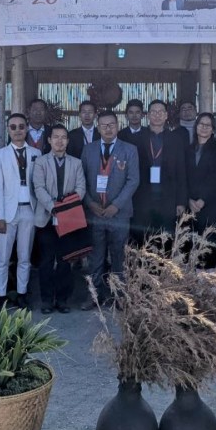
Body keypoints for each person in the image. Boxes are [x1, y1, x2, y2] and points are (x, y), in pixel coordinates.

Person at [81, 110, 139, 309]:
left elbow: (133, 181)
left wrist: (116, 205)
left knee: (119, 256)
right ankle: (94, 295)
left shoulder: (129, 150)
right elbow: (81, 181)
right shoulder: (88, 150)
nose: (108, 128)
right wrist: (90, 203)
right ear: (98, 128)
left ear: (118, 125)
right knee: (95, 256)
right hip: (95, 213)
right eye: (104, 125)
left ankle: (120, 296)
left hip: (119, 213)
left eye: (111, 124)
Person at [31, 125, 87, 313]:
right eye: (56, 137)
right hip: (47, 218)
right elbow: (38, 188)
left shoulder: (76, 163)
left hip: (69, 219)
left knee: (65, 260)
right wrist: (54, 207)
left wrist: (66, 208)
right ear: (49, 140)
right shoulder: (40, 162)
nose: (60, 141)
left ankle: (62, 300)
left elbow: (81, 188)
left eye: (63, 137)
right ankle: (47, 300)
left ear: (68, 141)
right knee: (46, 261)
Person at [0, 113, 41, 308]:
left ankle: (21, 293)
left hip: (29, 210)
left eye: (21, 126)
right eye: (13, 127)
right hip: (6, 213)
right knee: (2, 257)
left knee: (24, 256)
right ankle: (1, 295)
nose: (17, 130)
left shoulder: (36, 154)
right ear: (8, 130)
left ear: (27, 128)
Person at [130, 100, 188, 246]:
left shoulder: (176, 139)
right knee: (142, 240)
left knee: (166, 240)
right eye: (153, 112)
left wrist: (181, 201)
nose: (157, 115)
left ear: (166, 115)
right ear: (148, 115)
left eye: (160, 112)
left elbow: (181, 171)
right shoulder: (136, 139)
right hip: (142, 198)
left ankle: (164, 269)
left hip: (167, 199)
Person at [185, 112, 216, 266]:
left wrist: (202, 199)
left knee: (212, 248)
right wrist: (189, 200)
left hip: (213, 206)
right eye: (201, 124)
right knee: (192, 248)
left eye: (208, 125)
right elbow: (181, 177)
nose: (204, 127)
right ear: (196, 126)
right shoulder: (187, 149)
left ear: (213, 129)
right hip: (190, 207)